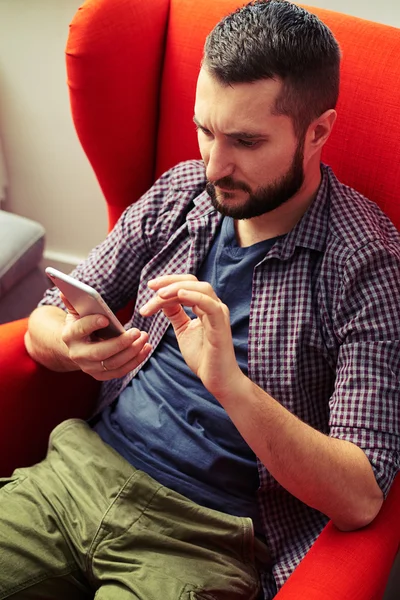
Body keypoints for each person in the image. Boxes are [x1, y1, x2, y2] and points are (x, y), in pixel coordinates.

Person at [1, 1, 399, 599]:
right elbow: (42, 326)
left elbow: (361, 496)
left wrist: (230, 385)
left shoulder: (366, 263)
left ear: (317, 132)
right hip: (76, 472)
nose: (214, 165)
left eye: (245, 141)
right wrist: (70, 343)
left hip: (204, 537)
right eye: (205, 130)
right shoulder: (181, 193)